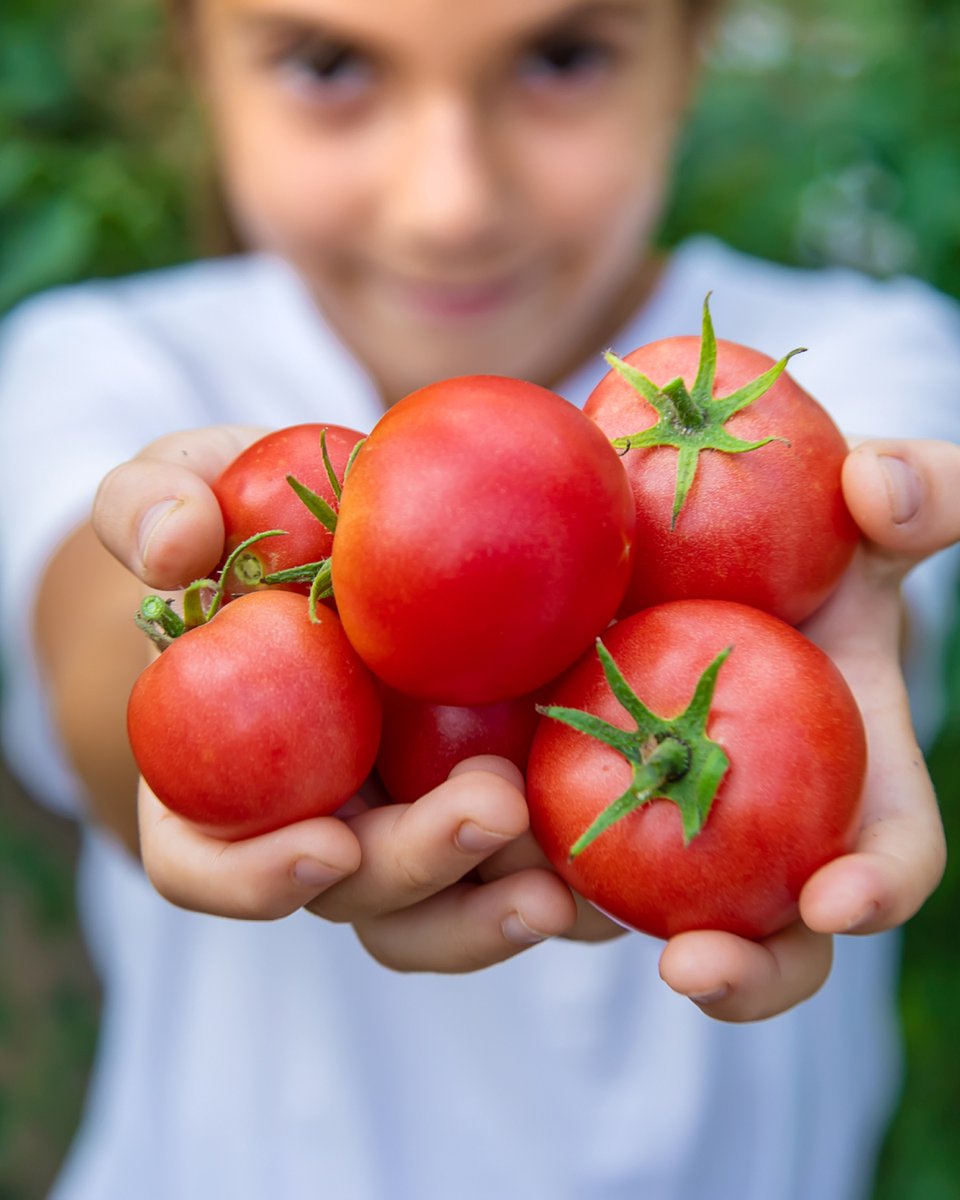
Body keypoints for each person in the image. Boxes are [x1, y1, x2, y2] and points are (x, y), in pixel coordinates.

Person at [1, 0, 959, 1196]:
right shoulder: (103, 359)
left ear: (690, 56)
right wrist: (207, 703)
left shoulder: (853, 362)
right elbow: (99, 669)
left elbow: (872, 612)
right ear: (196, 63)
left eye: (562, 57)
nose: (450, 202)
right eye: (329, 62)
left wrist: (858, 594)